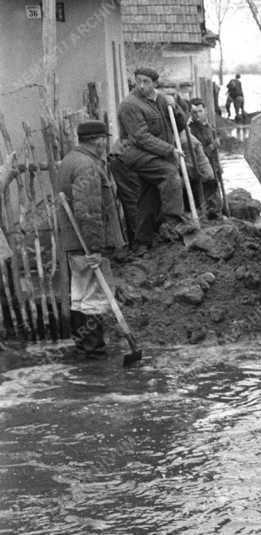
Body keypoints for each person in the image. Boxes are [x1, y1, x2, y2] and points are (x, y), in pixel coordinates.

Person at [55, 120, 126, 356]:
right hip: (84, 243)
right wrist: (94, 248)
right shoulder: (86, 166)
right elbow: (88, 212)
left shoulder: (71, 160)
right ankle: (93, 350)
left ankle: (85, 347)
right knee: (91, 298)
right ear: (99, 140)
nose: (106, 143)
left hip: (75, 242)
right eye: (105, 139)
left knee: (81, 296)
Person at [116, 67, 190, 245]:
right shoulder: (130, 105)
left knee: (149, 197)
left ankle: (142, 241)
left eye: (146, 82)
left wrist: (175, 105)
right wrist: (169, 150)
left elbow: (179, 125)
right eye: (138, 81)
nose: (141, 85)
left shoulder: (162, 99)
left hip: (154, 153)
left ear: (155, 83)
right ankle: (173, 222)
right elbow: (141, 137)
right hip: (134, 152)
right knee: (169, 174)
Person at [189, 99, 223, 217]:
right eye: (194, 112)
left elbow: (215, 153)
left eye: (200, 111)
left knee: (216, 195)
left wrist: (219, 166)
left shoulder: (209, 127)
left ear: (205, 111)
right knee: (207, 197)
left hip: (214, 166)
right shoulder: (191, 130)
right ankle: (209, 214)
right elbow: (197, 153)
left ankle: (217, 212)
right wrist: (213, 146)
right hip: (202, 169)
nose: (198, 115)